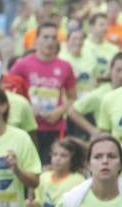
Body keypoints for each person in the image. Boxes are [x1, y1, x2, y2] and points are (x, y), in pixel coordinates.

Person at [10, 22, 79, 162]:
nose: (50, 42)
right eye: (46, 37)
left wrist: (59, 111)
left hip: (55, 126)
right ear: (37, 39)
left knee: (50, 167)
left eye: (54, 38)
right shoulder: (23, 64)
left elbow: (72, 97)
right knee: (28, 165)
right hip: (29, 126)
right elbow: (9, 91)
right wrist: (27, 108)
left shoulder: (65, 67)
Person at [32, 136, 85, 207]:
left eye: (63, 155)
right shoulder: (43, 177)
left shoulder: (78, 180)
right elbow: (38, 205)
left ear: (72, 160)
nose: (58, 158)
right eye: (55, 154)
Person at [60, 27, 98, 109]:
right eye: (74, 39)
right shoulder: (61, 58)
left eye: (81, 39)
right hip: (68, 105)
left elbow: (96, 80)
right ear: (67, 40)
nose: (78, 42)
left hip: (87, 104)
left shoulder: (91, 58)